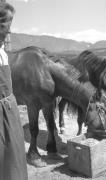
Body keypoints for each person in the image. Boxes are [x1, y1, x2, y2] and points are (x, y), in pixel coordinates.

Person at [0, 2, 28, 180]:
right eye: (5, 26)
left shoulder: (2, 52)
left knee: (13, 165)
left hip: (9, 115)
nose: (9, 32)